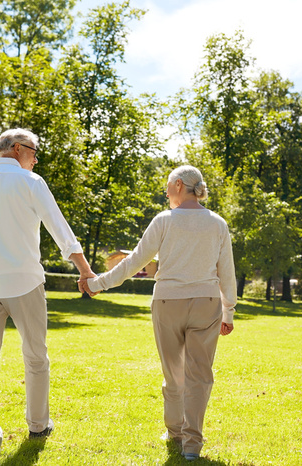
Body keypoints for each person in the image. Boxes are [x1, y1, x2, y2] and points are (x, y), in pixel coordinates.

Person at [0, 128, 95, 456]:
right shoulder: (32, 183)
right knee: (35, 357)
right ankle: (38, 424)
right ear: (17, 149)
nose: (35, 158)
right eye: (34, 152)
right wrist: (85, 270)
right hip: (25, 284)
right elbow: (60, 229)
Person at [82, 165, 237, 461]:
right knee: (199, 375)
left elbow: (134, 262)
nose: (166, 192)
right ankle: (192, 444)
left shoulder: (164, 220)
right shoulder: (218, 223)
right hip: (206, 303)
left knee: (174, 374)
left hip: (168, 303)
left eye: (167, 186)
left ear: (179, 185)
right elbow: (226, 272)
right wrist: (228, 311)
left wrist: (98, 284)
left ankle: (175, 431)